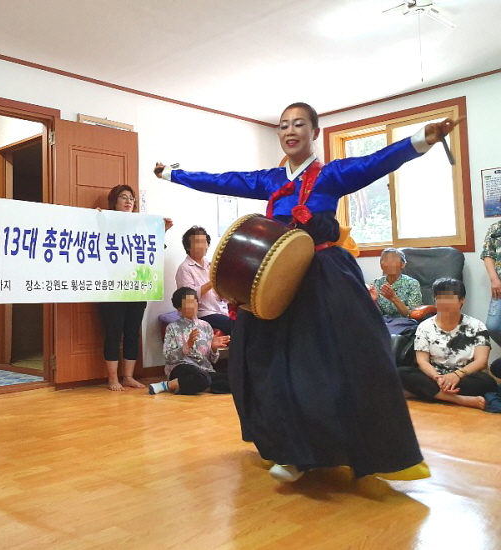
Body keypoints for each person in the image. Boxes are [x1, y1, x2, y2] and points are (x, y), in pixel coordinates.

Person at [154, 101, 460, 482]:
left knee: (350, 355)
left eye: (299, 124)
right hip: (273, 282)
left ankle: (373, 450)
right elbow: (223, 180)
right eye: (283, 126)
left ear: (315, 133)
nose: (290, 131)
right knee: (262, 361)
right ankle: (286, 447)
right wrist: (173, 174)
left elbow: (376, 161)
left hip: (324, 277)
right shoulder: (269, 180)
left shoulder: (333, 175)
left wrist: (421, 139)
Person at [98, 184, 172, 391]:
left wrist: (161, 232)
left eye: (131, 198)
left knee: (132, 332)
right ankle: (112, 379)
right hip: (111, 288)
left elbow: (153, 251)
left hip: (137, 287)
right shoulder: (105, 222)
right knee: (113, 333)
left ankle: (128, 377)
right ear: (114, 202)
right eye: (123, 197)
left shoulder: (141, 226)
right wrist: (96, 221)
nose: (129, 201)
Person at [399, 278, 496, 410]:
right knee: (401, 372)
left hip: (464, 377)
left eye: (449, 298)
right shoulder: (425, 326)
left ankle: (421, 393)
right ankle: (458, 399)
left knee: (488, 383)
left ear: (462, 300)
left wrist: (456, 375)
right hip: (434, 376)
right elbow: (422, 361)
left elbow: (481, 362)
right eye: (440, 298)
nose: (444, 302)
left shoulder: (477, 326)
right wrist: (438, 378)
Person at [150, 287, 230, 396]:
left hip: (204, 369)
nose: (192, 306)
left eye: (194, 302)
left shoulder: (206, 326)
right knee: (202, 378)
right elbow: (168, 356)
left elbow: (212, 360)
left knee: (232, 380)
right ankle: (167, 385)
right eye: (188, 303)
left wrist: (214, 348)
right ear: (179, 308)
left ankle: (195, 386)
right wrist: (186, 346)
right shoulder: (172, 327)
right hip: (181, 368)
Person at [175, 226, 231, 334]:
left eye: (204, 242)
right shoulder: (185, 268)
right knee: (234, 326)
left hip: (220, 310)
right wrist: (212, 282)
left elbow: (220, 295)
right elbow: (188, 298)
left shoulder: (211, 265)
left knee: (245, 319)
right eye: (197, 242)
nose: (201, 246)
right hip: (202, 314)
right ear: (188, 247)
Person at [480, 221, 501, 346]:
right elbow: (488, 254)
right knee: (493, 326)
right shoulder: (495, 228)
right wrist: (494, 280)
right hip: (500, 285)